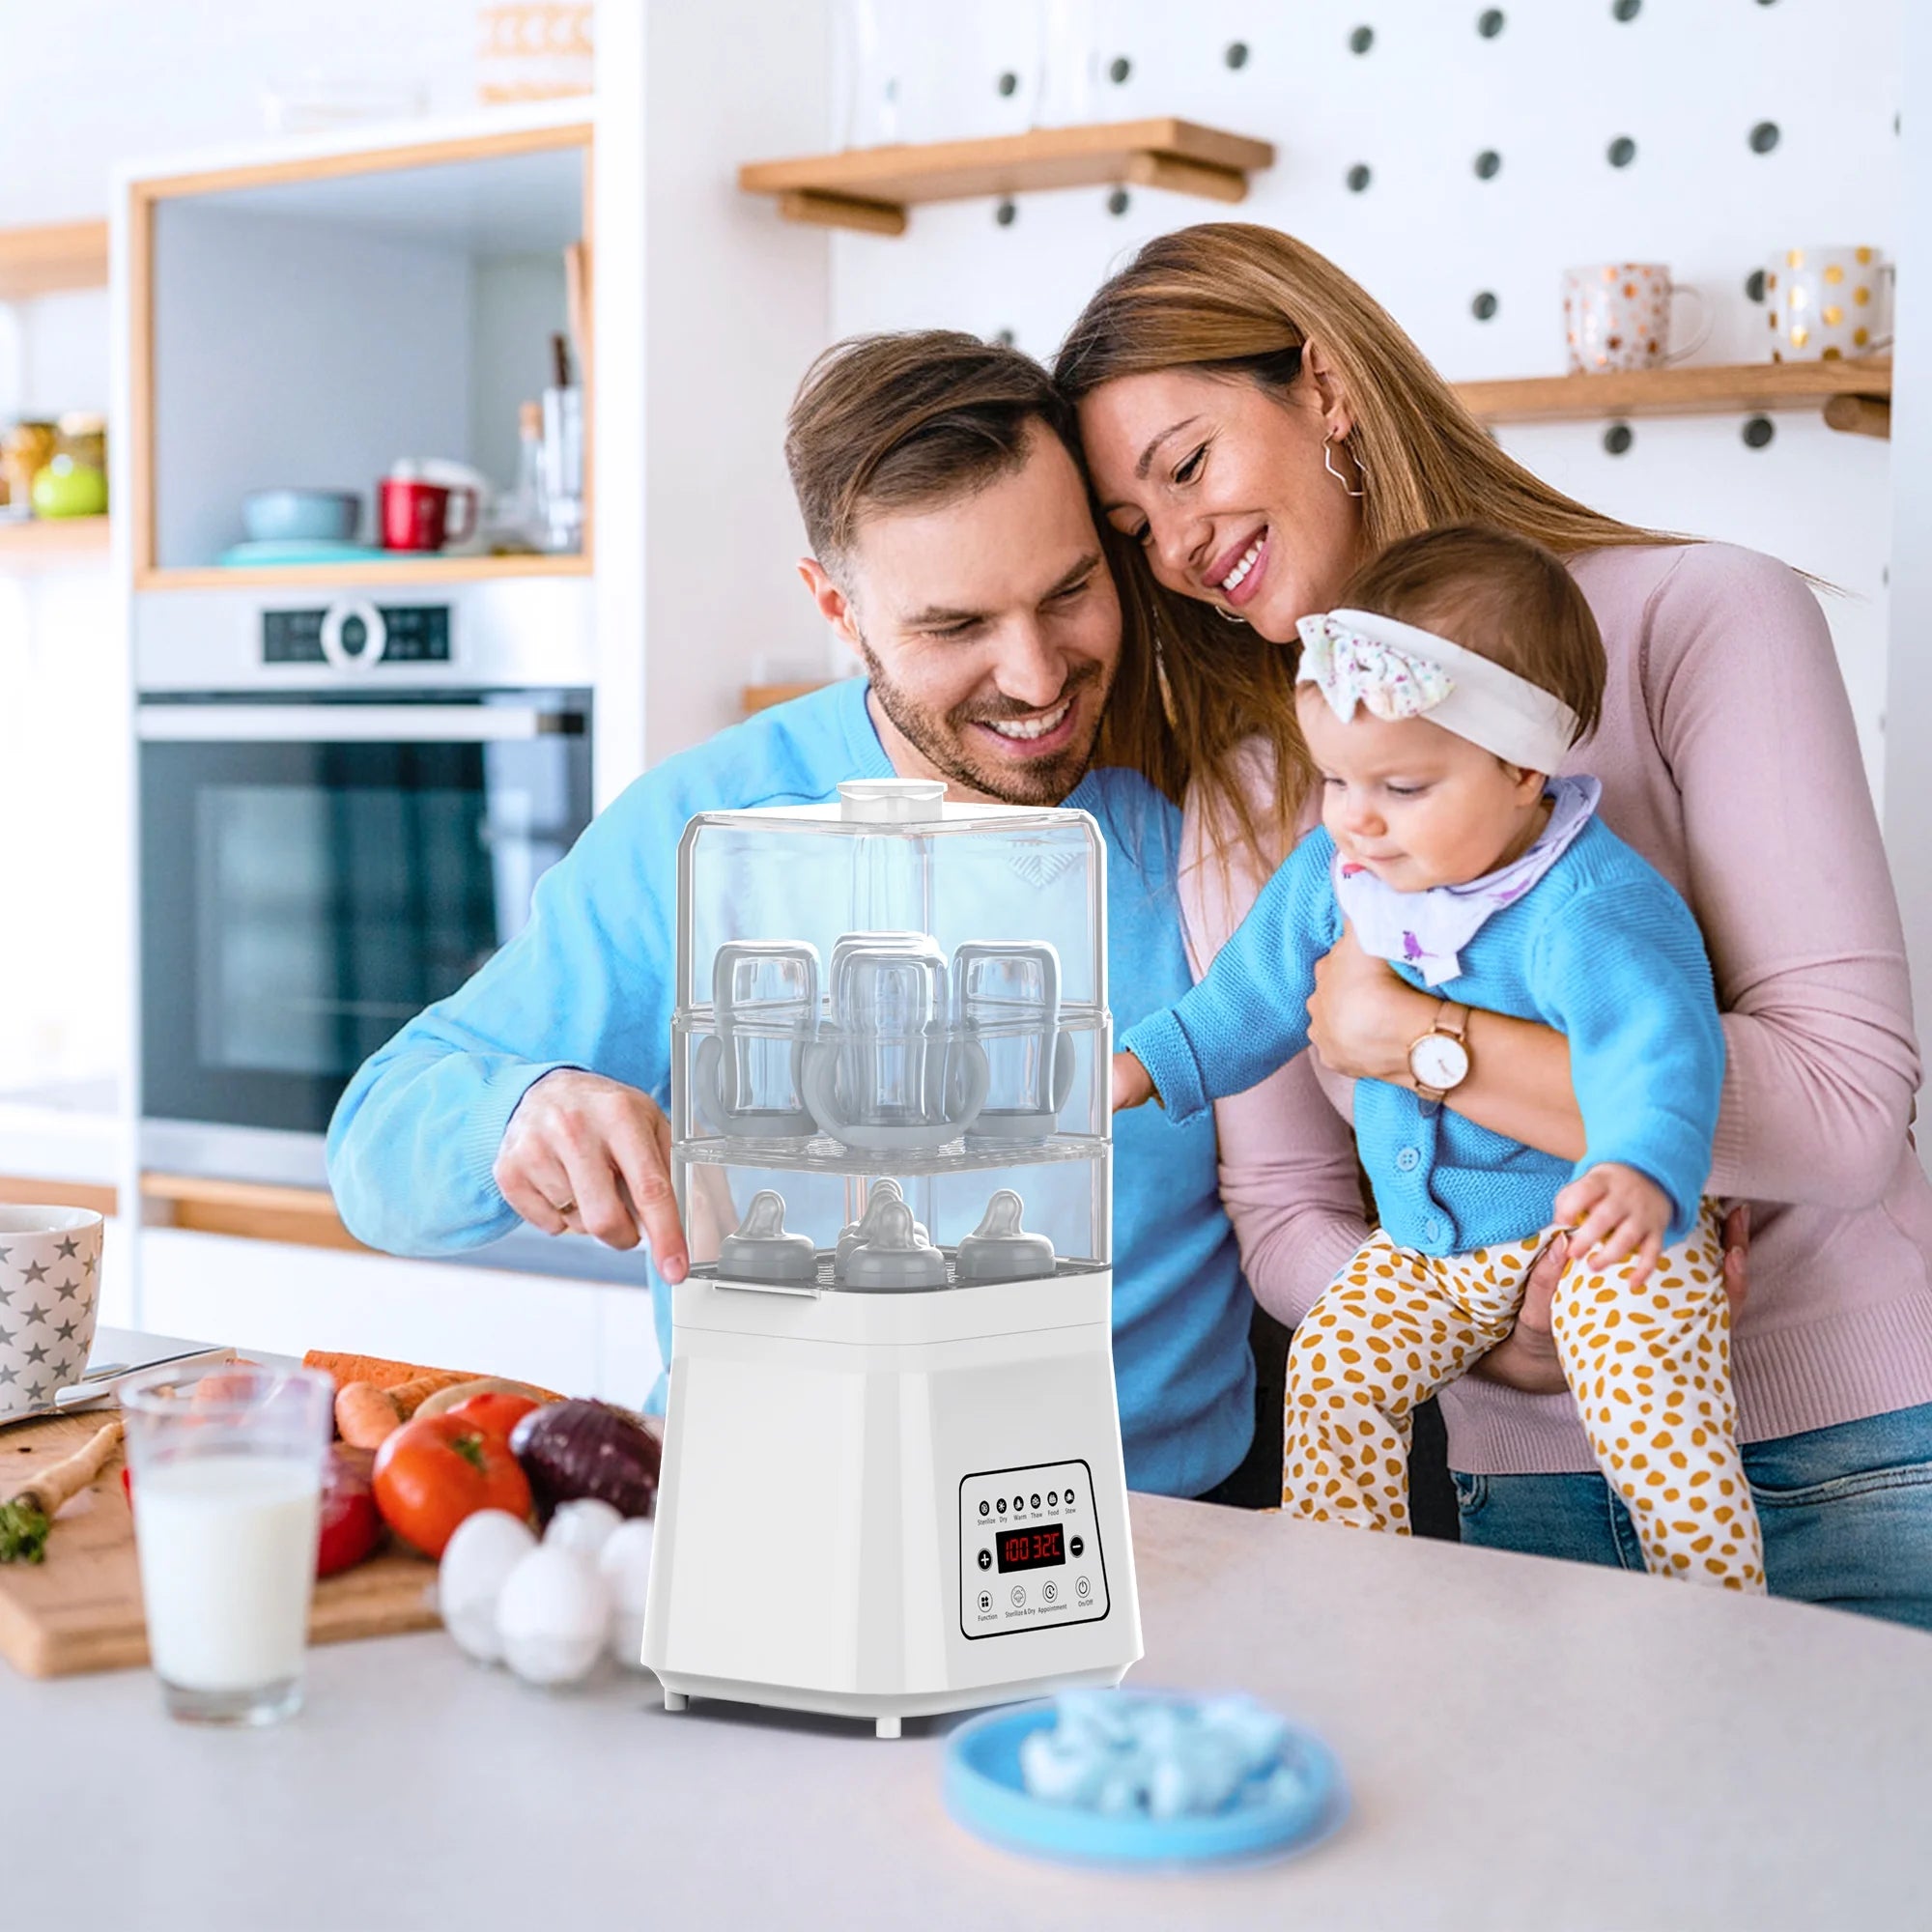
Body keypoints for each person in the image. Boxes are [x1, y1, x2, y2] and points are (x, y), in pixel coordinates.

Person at [1055, 221, 1932, 1627]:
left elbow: (1841, 1118)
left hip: (1836, 1464)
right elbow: (1283, 1205)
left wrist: (1416, 1039)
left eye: (1189, 467)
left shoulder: (1700, 618)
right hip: (1510, 1489)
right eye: (1134, 531)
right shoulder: (1254, 789)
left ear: (1327, 389)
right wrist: (1486, 1326)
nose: (1175, 548)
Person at [327, 330, 1259, 1502]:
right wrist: (516, 1109)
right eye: (954, 627)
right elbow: (373, 1149)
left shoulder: (1206, 806)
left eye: (1068, 592)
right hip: (767, 1506)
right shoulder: (703, 827)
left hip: (1156, 1526)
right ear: (835, 606)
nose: (1034, 676)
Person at [1114, 524, 1762, 1590]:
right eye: (1333, 780)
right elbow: (1248, 992)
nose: (1354, 822)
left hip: (1594, 1224)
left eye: (1400, 788)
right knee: (1332, 1366)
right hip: (1428, 1246)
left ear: (1519, 767)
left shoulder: (1585, 905)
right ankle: (1353, 1589)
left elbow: (1655, 1050)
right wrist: (1142, 1068)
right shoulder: (1344, 871)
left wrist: (1643, 1170)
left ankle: (1712, 1604)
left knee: (1646, 1395)